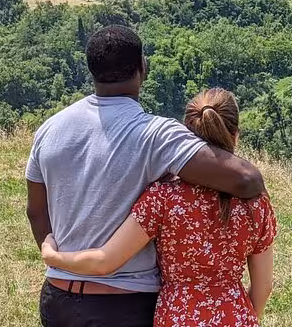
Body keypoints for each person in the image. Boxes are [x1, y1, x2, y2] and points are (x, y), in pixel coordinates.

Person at [26, 26, 265, 327]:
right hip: (124, 303)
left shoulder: (49, 129)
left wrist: (58, 259)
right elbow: (246, 180)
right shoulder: (155, 135)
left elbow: (35, 211)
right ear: (143, 67)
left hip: (57, 297)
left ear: (91, 69)